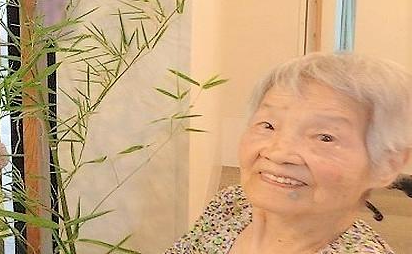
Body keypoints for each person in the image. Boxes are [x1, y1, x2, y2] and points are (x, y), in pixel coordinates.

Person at [168, 52, 412, 253]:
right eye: (268, 125)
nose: (279, 153)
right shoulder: (231, 204)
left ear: (387, 165)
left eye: (325, 137)